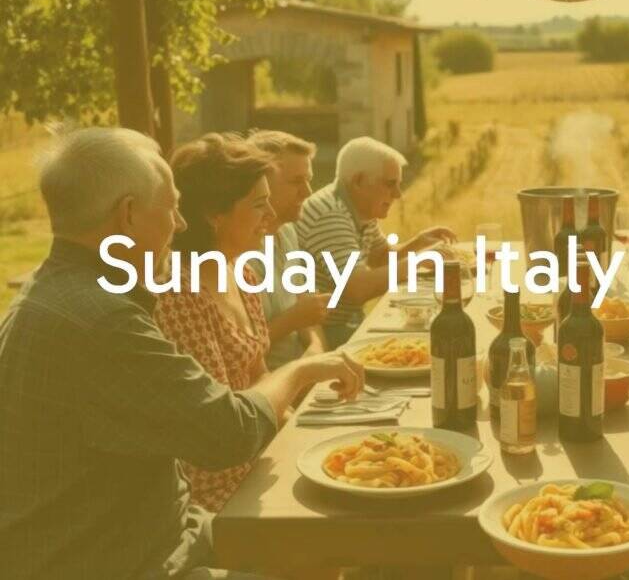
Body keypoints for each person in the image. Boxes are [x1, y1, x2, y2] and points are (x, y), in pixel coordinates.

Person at [0, 128, 361, 579]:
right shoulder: (102, 321)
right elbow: (228, 432)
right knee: (323, 546)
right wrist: (304, 369)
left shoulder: (54, 292)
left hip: (160, 533)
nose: (182, 223)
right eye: (171, 207)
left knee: (318, 542)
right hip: (124, 561)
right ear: (128, 215)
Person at [154, 133, 283, 512]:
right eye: (260, 205)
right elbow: (222, 430)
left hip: (258, 455)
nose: (272, 218)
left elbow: (260, 375)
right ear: (214, 214)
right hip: (213, 491)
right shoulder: (179, 293)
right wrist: (303, 374)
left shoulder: (241, 274)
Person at [295, 136, 455, 347]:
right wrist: (418, 261)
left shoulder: (359, 208)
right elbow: (357, 289)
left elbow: (380, 258)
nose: (398, 194)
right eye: (390, 184)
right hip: (326, 334)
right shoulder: (330, 214)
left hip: (346, 324)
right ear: (358, 181)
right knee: (426, 342)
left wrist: (418, 243)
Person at [247, 130, 329, 370]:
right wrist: (294, 319)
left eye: (308, 179)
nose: (308, 192)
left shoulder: (288, 232)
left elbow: (308, 312)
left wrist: (316, 350)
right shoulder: (241, 249)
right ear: (262, 184)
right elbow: (240, 350)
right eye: (296, 181)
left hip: (300, 372)